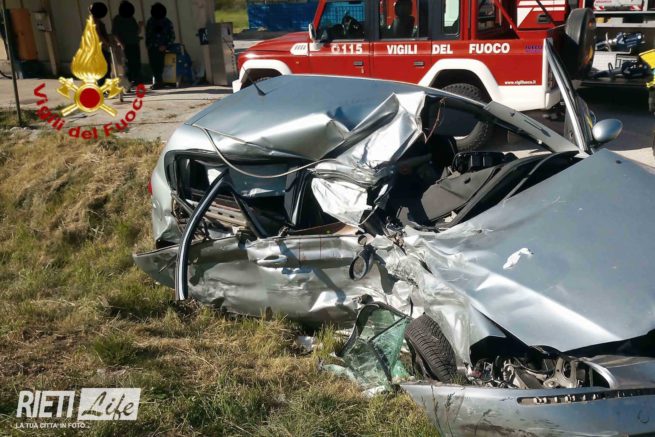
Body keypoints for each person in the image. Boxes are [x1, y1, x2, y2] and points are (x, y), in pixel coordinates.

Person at [145, 2, 175, 90]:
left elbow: (172, 36)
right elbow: (148, 35)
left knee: (161, 65)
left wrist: (165, 46)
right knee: (154, 65)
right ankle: (159, 82)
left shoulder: (167, 22)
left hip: (163, 48)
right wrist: (148, 45)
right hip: (152, 48)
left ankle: (161, 82)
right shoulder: (150, 21)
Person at [112, 1, 142, 84]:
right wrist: (121, 44)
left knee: (136, 63)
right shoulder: (117, 19)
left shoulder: (131, 18)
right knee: (127, 63)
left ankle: (136, 79)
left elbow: (137, 31)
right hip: (125, 45)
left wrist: (140, 26)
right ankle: (129, 80)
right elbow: (115, 34)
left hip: (134, 43)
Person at [89, 2, 112, 84]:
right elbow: (98, 35)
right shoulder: (95, 21)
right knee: (104, 69)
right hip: (100, 48)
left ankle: (104, 86)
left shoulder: (94, 20)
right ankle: (103, 86)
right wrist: (106, 43)